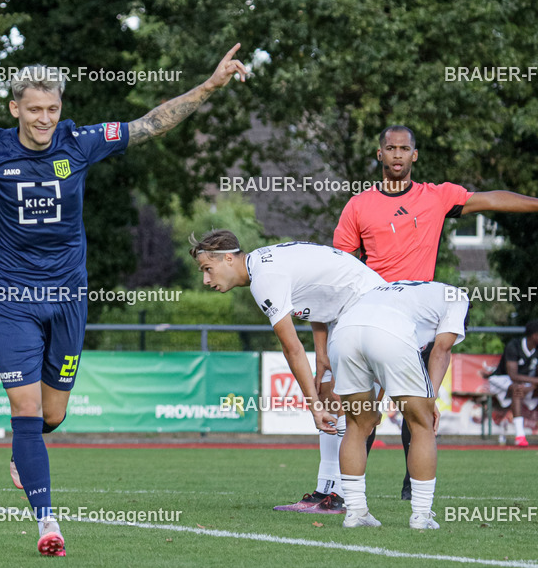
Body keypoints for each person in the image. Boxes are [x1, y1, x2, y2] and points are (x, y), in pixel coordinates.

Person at [0, 45, 249, 556]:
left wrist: (210, 85)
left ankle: (27, 445)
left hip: (67, 300)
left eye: (52, 109)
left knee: (52, 415)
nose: (44, 119)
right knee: (25, 407)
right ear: (15, 107)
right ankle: (47, 522)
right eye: (35, 109)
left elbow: (150, 124)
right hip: (13, 300)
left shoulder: (79, 143)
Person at [334, 124, 538, 496]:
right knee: (363, 414)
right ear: (380, 154)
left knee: (419, 408)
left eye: (404, 148)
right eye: (390, 148)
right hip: (373, 316)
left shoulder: (437, 196)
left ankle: (415, 489)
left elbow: (490, 200)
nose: (397, 154)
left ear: (415, 155)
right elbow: (340, 270)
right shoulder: (358, 205)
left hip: (421, 320)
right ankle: (346, 494)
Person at [191, 230, 386, 514]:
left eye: (208, 269)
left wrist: (313, 408)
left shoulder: (264, 279)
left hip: (367, 307)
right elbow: (319, 294)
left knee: (345, 405)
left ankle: (344, 497)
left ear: (229, 259)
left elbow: (292, 348)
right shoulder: (262, 264)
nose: (206, 280)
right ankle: (325, 491)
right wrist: (321, 355)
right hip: (348, 309)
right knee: (331, 396)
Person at [331, 281, 470, 529]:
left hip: (344, 332)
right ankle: (421, 515)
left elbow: (377, 350)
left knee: (356, 425)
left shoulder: (402, 291)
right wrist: (431, 399)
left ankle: (355, 512)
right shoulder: (458, 297)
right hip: (388, 332)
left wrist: (376, 402)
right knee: (422, 425)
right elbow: (441, 349)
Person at [487, 319, 538, 447]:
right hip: (501, 379)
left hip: (527, 382)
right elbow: (513, 375)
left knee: (519, 389)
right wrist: (534, 382)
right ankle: (520, 435)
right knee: (517, 389)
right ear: (534, 335)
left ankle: (520, 435)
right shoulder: (514, 345)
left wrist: (531, 387)